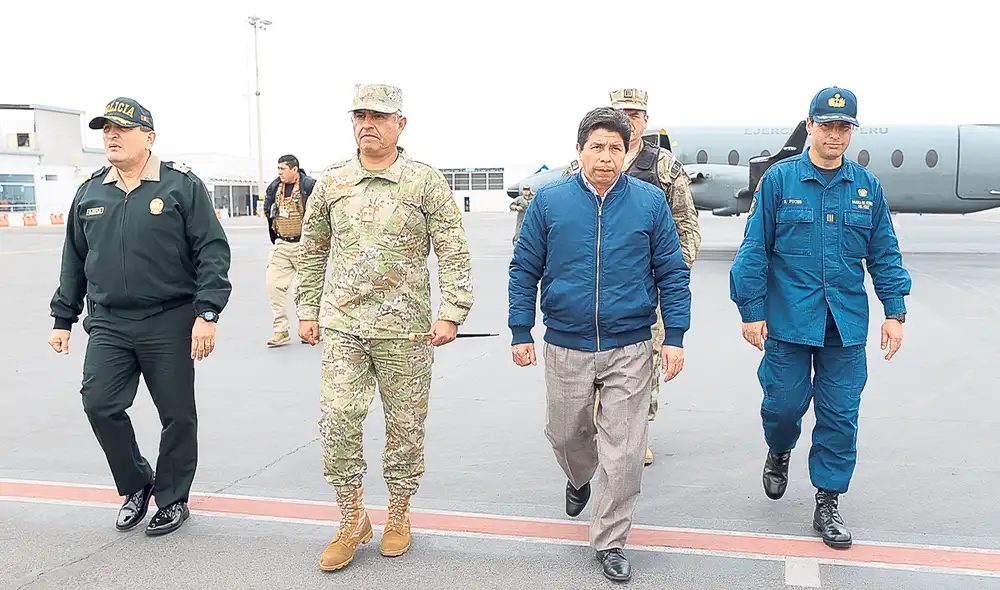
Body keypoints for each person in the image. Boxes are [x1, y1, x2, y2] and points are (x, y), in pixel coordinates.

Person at [295, 84, 474, 572]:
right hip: (344, 326)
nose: (367, 124)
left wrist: (452, 312)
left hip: (408, 332)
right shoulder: (332, 181)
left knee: (405, 428)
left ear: (401, 123)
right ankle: (352, 518)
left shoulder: (424, 182)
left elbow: (453, 251)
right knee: (336, 420)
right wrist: (307, 309)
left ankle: (398, 513)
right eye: (359, 115)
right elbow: (312, 250)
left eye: (378, 116)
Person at [508, 106, 691, 583]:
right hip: (566, 344)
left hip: (631, 345)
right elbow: (524, 268)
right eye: (597, 147)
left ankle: (610, 540)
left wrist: (674, 337)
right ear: (579, 150)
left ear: (628, 151)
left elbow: (672, 273)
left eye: (616, 148)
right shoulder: (549, 202)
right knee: (568, 435)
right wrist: (520, 330)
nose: (606, 157)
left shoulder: (650, 203)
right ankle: (578, 477)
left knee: (627, 452)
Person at [729, 87, 912, 549]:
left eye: (843, 127)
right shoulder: (779, 181)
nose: (834, 134)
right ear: (809, 126)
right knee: (784, 406)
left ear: (851, 131)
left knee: (840, 415)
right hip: (788, 321)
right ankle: (780, 448)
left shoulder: (867, 187)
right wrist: (751, 311)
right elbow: (754, 249)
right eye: (825, 125)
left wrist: (895, 311)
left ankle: (827, 501)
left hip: (845, 326)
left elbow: (885, 253)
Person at [47, 97, 232, 537]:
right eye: (105, 130)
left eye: (121, 129)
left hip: (168, 318)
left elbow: (211, 250)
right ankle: (136, 485)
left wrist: (207, 312)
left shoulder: (180, 186)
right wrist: (62, 317)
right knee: (99, 404)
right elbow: (74, 259)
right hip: (109, 322)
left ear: (148, 137)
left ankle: (172, 499)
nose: (110, 136)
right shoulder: (91, 190)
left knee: (177, 414)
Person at [609, 87, 701, 466]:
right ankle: (601, 429)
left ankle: (636, 432)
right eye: (621, 112)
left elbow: (687, 223)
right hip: (597, 285)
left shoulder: (663, 167)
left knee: (645, 359)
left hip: (647, 288)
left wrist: (672, 273)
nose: (629, 119)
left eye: (636, 114)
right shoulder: (589, 160)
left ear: (645, 121)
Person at [262, 154, 317, 346]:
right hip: (282, 244)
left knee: (303, 289)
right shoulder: (273, 188)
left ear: (294, 169)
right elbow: (268, 211)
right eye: (278, 169)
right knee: (273, 285)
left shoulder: (309, 186)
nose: (280, 173)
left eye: (283, 169)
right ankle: (280, 330)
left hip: (305, 245)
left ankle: (309, 328)